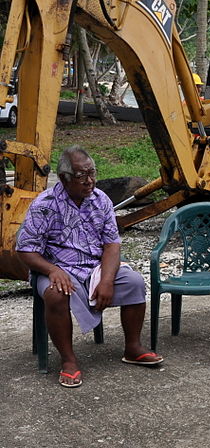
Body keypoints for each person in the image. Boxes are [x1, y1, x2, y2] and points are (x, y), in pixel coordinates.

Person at [16, 145, 163, 388]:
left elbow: (112, 245)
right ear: (64, 178)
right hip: (55, 266)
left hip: (94, 266)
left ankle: (133, 348)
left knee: (134, 282)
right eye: (81, 175)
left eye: (92, 172)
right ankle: (69, 361)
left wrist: (106, 279)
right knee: (55, 295)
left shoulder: (101, 199)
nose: (89, 181)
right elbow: (25, 249)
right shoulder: (45, 204)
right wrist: (53, 270)